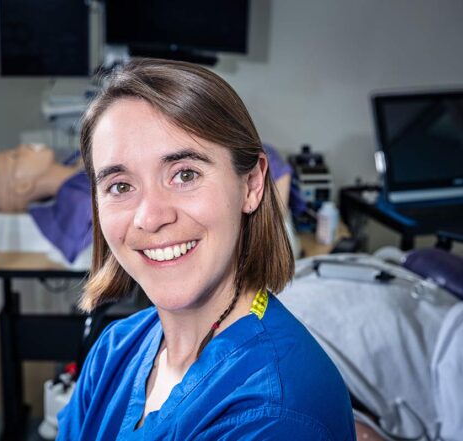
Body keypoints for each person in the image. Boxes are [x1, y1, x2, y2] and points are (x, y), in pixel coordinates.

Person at [56, 59, 355, 440]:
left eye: (185, 174)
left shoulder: (276, 414)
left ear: (251, 185)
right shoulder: (114, 351)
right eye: (120, 186)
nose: (151, 217)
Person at [0, 143, 82, 212]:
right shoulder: (84, 203)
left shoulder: (78, 161)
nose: (22, 146)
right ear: (24, 186)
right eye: (15, 156)